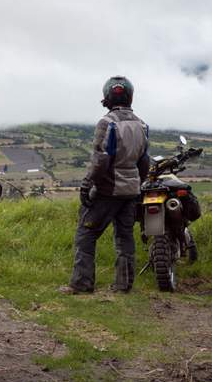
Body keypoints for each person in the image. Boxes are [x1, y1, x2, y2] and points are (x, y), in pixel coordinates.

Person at [59, 76, 149, 294]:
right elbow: (144, 161)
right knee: (125, 237)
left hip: (108, 190)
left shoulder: (106, 123)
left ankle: (81, 284)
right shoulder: (142, 125)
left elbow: (101, 159)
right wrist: (138, 184)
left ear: (107, 96)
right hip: (131, 191)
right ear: (130, 96)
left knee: (86, 235)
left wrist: (87, 184)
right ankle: (123, 286)